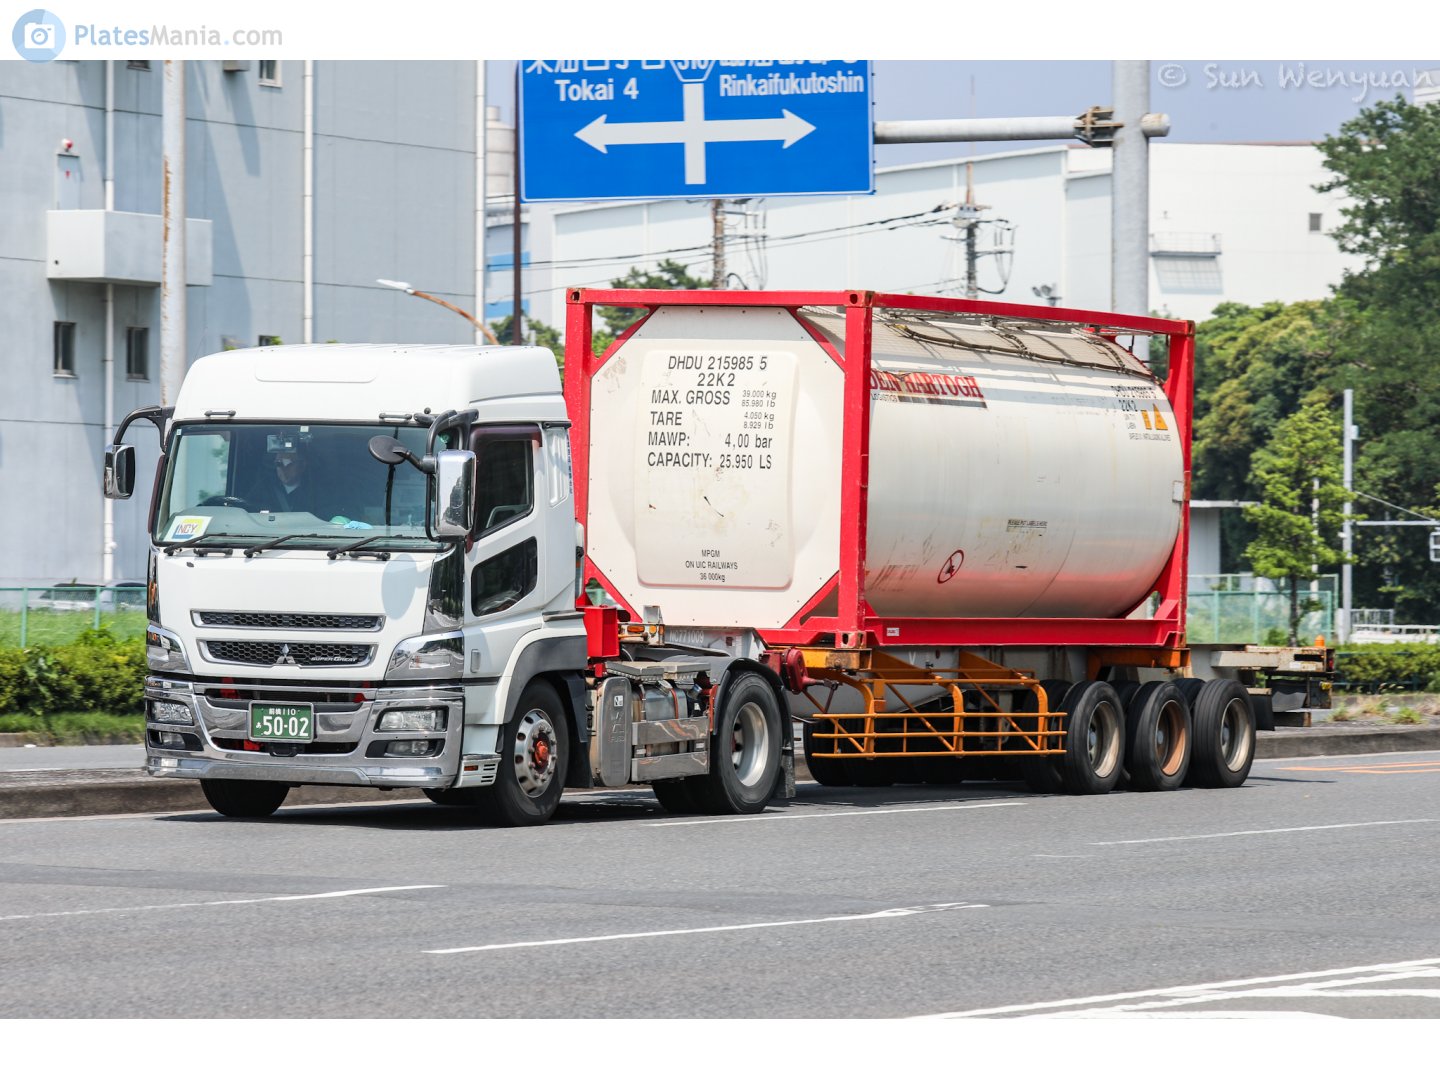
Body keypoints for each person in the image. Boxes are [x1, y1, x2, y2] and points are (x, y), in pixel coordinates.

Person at [248, 444, 317, 513]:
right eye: (278, 464)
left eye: (288, 464)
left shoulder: (315, 491)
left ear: (302, 465)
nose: (283, 468)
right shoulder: (262, 489)